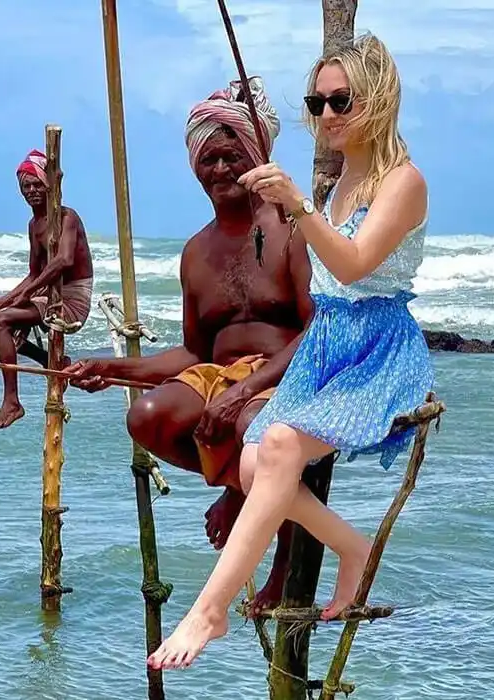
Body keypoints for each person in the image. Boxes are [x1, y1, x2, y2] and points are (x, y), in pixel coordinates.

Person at [147, 33, 436, 671]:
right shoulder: (341, 181)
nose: (326, 115)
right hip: (326, 343)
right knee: (252, 466)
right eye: (317, 103)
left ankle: (209, 608)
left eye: (341, 101)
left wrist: (298, 207)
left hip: (376, 348)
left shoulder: (402, 181)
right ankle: (352, 548)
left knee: (276, 450)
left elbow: (356, 267)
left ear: (378, 99)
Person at [67, 77, 314, 612]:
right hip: (219, 376)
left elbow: (320, 332)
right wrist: (111, 368)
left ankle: (280, 565)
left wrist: (243, 390)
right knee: (148, 418)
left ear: (257, 152)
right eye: (208, 158)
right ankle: (241, 486)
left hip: (283, 375)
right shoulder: (195, 252)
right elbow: (194, 356)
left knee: (255, 428)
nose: (220, 170)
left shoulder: (293, 228)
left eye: (231, 155)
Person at [0, 149, 94, 431]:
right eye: (26, 186)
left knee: (2, 322)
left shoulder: (66, 217)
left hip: (71, 297)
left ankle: (12, 402)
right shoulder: (33, 224)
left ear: (49, 185)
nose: (32, 190)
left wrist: (24, 297)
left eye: (37, 183)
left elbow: (64, 260)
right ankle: (52, 362)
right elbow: (34, 274)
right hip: (48, 292)